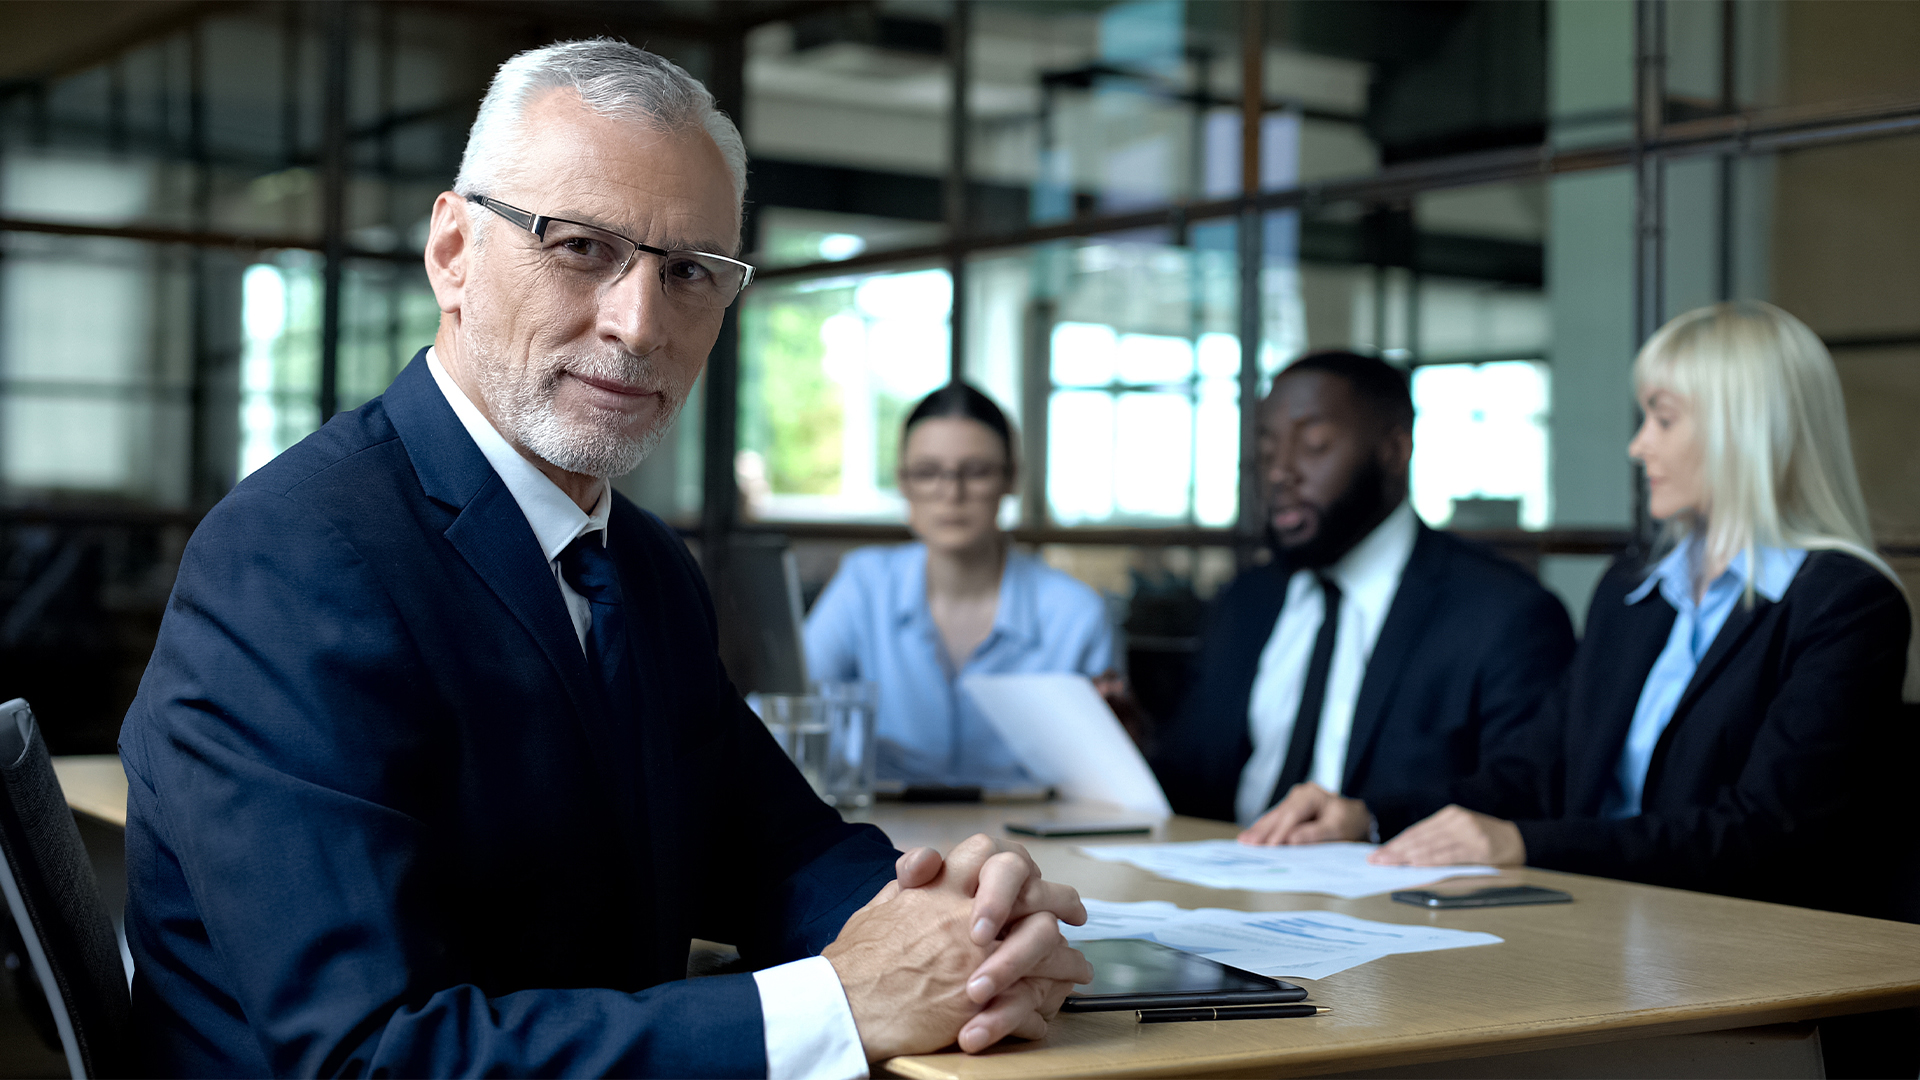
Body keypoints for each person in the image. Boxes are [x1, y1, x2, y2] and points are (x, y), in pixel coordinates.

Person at [118, 40, 1090, 1079]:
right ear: (453, 252)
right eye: (581, 247)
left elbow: (778, 849)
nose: (638, 324)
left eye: (689, 273)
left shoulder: (638, 561)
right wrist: (838, 1006)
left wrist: (964, 913)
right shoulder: (292, 558)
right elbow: (368, 1054)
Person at [1371, 301, 1917, 919]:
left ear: (1743, 429)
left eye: (1663, 419)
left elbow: (1766, 832)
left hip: (1737, 946)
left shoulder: (1846, 603)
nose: (1637, 446)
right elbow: (1536, 770)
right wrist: (1366, 816)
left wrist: (1526, 843)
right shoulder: (1634, 588)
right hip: (1588, 917)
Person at [1149, 350, 1576, 841]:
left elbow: (1527, 792)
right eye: (1267, 450)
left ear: (1394, 451)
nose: (1279, 472)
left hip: (1396, 898)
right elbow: (1194, 776)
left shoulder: (1504, 614)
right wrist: (1130, 742)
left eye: (1314, 444)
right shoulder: (1247, 602)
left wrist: (1370, 820)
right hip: (1220, 881)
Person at [805, 384, 1113, 787]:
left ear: (1012, 478)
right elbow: (790, 709)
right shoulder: (863, 584)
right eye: (927, 472)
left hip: (1030, 837)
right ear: (903, 483)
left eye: (977, 472)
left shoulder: (1076, 614)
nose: (951, 494)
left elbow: (1105, 776)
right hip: (882, 830)